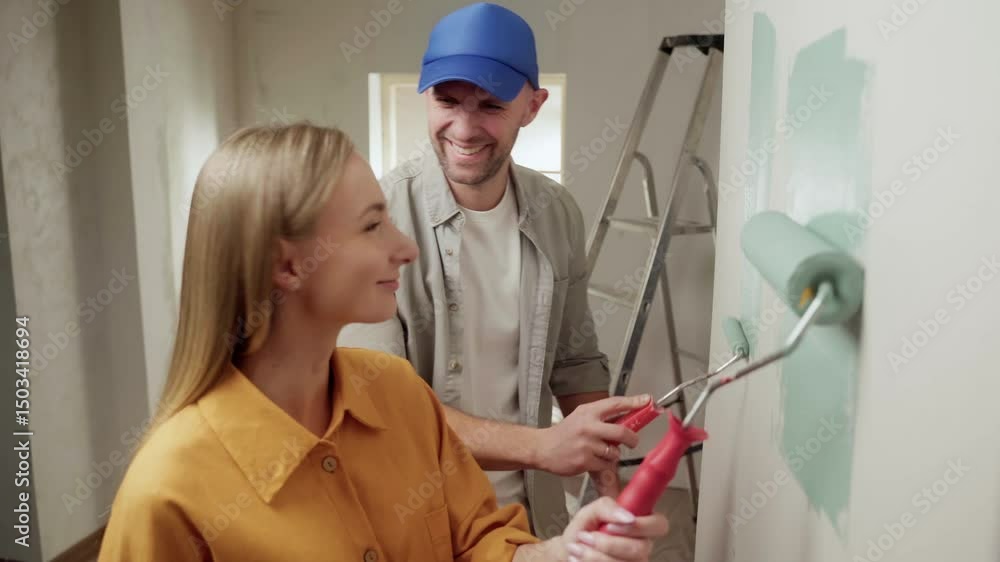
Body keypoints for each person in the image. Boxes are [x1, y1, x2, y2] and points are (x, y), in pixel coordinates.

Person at [96, 123, 668, 561]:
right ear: (287, 265)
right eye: (372, 225)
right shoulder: (167, 494)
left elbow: (478, 544)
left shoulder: (397, 393)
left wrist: (564, 553)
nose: (407, 248)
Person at [338, 2, 653, 538]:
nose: (464, 128)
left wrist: (606, 469)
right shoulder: (375, 217)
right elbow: (382, 406)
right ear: (424, 94)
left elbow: (575, 362)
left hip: (528, 514)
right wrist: (543, 446)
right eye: (447, 101)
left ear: (532, 106)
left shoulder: (556, 212)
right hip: (415, 517)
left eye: (490, 105)